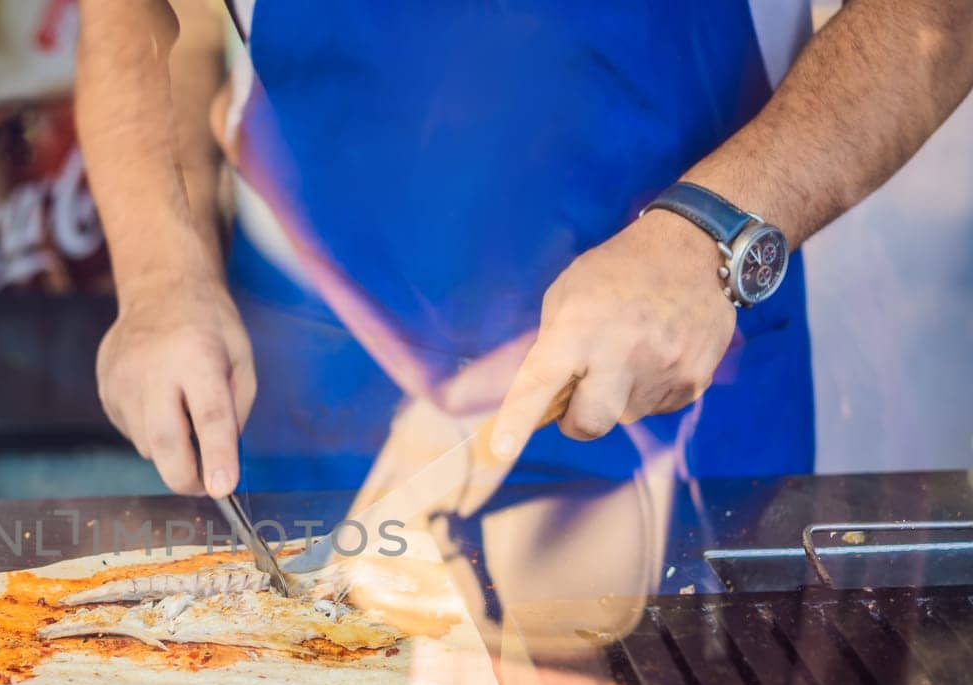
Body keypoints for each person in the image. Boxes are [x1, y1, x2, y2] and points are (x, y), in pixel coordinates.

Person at [74, 0, 973, 502]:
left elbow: (935, 20)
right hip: (314, 425)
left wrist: (711, 233)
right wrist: (159, 275)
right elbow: (145, 22)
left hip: (670, 414)